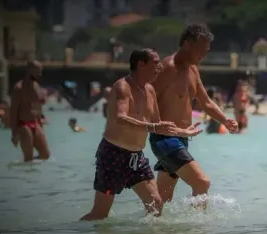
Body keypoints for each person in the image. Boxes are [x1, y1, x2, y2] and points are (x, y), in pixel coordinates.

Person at [80, 48, 193, 221]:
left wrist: (182, 132)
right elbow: (121, 117)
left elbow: (158, 125)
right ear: (141, 64)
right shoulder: (122, 86)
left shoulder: (150, 90)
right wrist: (153, 126)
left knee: (156, 203)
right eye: (155, 63)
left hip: (136, 158)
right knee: (100, 214)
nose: (160, 67)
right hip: (113, 155)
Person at [149, 24, 239, 204]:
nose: (204, 55)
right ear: (187, 44)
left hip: (181, 139)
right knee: (202, 183)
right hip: (166, 139)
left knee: (161, 201)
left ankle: (150, 230)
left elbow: (205, 102)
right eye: (201, 50)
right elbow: (146, 99)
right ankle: (198, 230)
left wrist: (225, 120)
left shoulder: (192, 70)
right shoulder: (167, 68)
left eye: (206, 51)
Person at [9, 60, 50, 162]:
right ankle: (24, 173)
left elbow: (38, 106)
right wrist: (14, 133)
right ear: (28, 70)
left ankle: (27, 168)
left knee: (45, 154)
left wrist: (41, 119)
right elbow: (13, 111)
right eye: (36, 71)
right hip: (23, 124)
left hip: (35, 123)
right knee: (28, 158)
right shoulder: (19, 88)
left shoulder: (36, 86)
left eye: (40, 71)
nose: (39, 74)